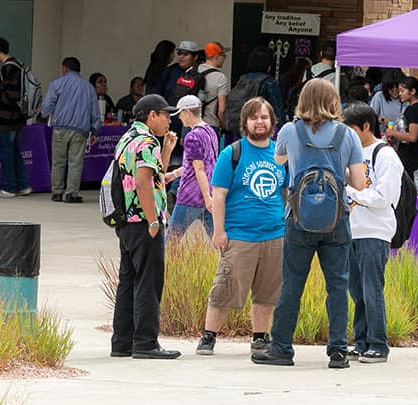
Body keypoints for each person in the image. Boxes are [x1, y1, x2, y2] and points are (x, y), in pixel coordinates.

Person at [252, 78, 365, 369]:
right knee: (338, 286)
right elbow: (359, 183)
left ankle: (281, 348)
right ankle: (338, 351)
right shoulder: (347, 135)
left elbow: (278, 161)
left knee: (292, 284)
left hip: (299, 219)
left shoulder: (290, 130)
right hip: (336, 220)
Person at [194, 97, 286, 356]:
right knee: (225, 289)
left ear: (272, 121)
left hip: (275, 235)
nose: (260, 122)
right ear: (245, 122)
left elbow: (285, 192)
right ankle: (209, 336)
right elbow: (219, 194)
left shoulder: (280, 154)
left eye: (264, 117)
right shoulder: (232, 153)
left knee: (267, 293)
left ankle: (259, 337)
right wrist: (218, 231)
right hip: (239, 236)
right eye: (254, 117)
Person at [110, 93, 180, 359]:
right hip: (143, 220)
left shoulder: (128, 138)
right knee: (149, 281)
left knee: (128, 280)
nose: (168, 121)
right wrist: (153, 220)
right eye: (165, 115)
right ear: (152, 116)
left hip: (126, 221)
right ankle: (146, 343)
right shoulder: (147, 141)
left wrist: (167, 151)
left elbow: (152, 174)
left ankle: (122, 342)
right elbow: (142, 183)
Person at [343, 102, 403, 363]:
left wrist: (351, 192)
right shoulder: (349, 153)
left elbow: (384, 197)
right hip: (352, 230)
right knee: (356, 290)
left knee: (372, 289)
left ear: (366, 127)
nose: (347, 135)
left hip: (374, 231)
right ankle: (361, 340)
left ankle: (378, 343)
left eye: (351, 129)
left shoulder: (385, 155)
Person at [41, 58, 102, 203]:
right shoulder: (88, 87)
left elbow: (47, 105)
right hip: (80, 130)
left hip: (60, 128)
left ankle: (56, 192)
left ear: (64, 68)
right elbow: (95, 111)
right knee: (75, 162)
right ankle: (71, 194)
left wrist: (44, 114)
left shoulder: (57, 83)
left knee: (58, 162)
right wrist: (95, 130)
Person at [0, 37, 31, 198]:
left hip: (8, 118)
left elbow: (11, 94)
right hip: (19, 118)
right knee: (15, 151)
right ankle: (23, 185)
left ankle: (9, 187)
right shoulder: (18, 64)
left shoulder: (8, 68)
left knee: (7, 151)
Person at [166, 95, 218, 239]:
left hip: (190, 196)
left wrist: (206, 197)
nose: (180, 118)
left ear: (188, 113)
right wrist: (173, 174)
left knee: (171, 241)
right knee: (218, 240)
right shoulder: (211, 132)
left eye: (181, 114)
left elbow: (198, 168)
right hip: (209, 192)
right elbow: (203, 165)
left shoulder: (192, 136)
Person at [225, 47, 285, 140]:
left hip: (241, 130)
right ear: (268, 65)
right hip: (262, 132)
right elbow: (278, 111)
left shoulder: (242, 79)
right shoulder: (269, 82)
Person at [386, 76, 418, 177]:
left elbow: (412, 137)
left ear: (413, 91)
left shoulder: (416, 109)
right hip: (408, 155)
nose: (399, 93)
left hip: (414, 158)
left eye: (402, 91)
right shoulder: (411, 108)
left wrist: (393, 132)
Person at [195, 42, 231, 130]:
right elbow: (221, 110)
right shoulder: (220, 77)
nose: (224, 59)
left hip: (192, 124)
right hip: (210, 124)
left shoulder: (194, 71)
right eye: (224, 56)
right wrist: (223, 125)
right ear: (217, 56)